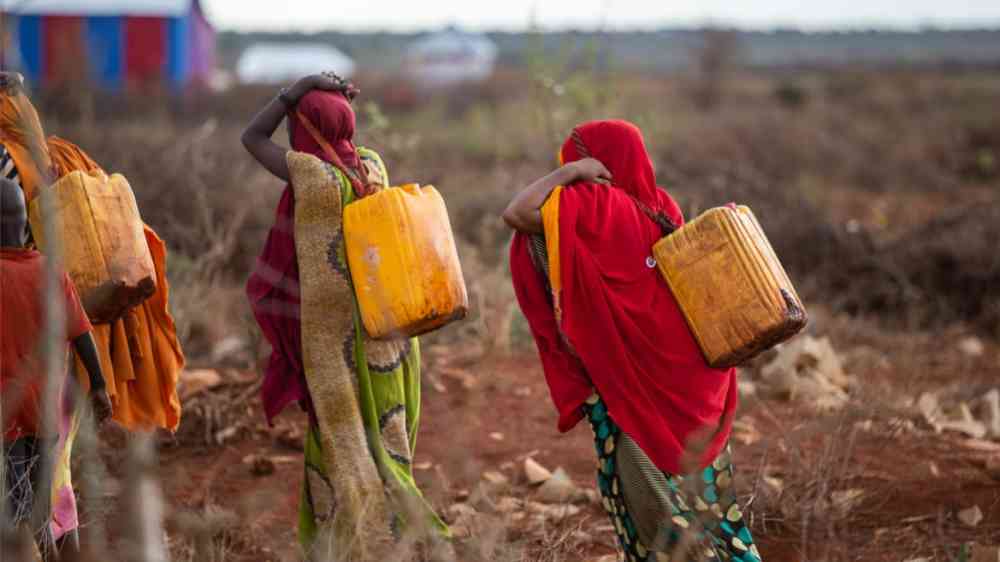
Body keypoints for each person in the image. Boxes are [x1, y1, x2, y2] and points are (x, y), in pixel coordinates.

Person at [504, 120, 760, 562]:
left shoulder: (586, 200)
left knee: (648, 503)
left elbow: (518, 213)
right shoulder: (662, 205)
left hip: (629, 380)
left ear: (593, 157)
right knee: (707, 501)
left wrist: (570, 174)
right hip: (691, 375)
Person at [242, 73, 448, 558]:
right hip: (392, 333)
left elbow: (251, 137)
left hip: (334, 344)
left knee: (342, 444)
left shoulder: (312, 177)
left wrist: (291, 94)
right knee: (390, 439)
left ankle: (353, 546)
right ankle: (403, 539)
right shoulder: (373, 167)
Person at [0, 71, 184, 549]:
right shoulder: (60, 158)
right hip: (60, 350)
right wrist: (98, 383)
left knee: (15, 482)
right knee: (54, 476)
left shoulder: (5, 163)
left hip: (11, 346)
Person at [1, 177, 113, 560]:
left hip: (7, 419)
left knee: (13, 517)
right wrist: (98, 386)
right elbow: (82, 333)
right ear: (25, 227)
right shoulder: (51, 272)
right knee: (39, 515)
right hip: (46, 416)